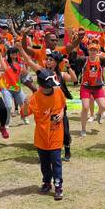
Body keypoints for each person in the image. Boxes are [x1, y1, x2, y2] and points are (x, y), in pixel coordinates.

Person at [16, 42, 77, 162]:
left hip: (59, 107)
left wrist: (69, 67)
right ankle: (47, 151)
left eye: (51, 59)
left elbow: (74, 79)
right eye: (47, 59)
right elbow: (29, 61)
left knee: (65, 131)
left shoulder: (61, 74)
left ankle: (67, 149)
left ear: (56, 62)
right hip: (45, 108)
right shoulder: (42, 72)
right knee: (46, 130)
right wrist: (20, 49)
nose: (48, 61)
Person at [22, 69, 66, 201]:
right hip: (41, 137)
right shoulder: (35, 98)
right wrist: (25, 104)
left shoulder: (58, 91)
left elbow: (63, 105)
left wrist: (61, 115)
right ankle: (47, 182)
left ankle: (58, 186)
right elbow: (24, 114)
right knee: (44, 163)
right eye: (48, 87)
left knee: (56, 162)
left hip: (56, 135)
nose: (50, 89)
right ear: (41, 86)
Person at [0, 47, 28, 127]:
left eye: (16, 52)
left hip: (17, 88)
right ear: (9, 54)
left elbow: (24, 73)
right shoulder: (5, 61)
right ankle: (6, 122)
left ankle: (24, 117)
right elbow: (2, 68)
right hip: (7, 88)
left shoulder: (20, 62)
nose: (15, 54)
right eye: (13, 52)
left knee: (24, 103)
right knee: (8, 106)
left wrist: (24, 64)